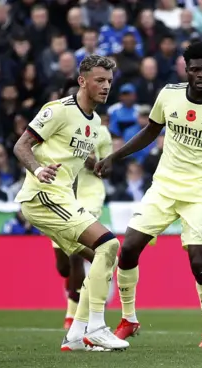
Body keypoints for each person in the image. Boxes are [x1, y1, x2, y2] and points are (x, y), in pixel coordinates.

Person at [94, 40, 202, 348]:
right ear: (187, 70)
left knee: (197, 261)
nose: (201, 74)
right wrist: (115, 156)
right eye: (195, 69)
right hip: (164, 187)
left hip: (201, 194)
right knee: (127, 250)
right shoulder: (168, 95)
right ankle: (128, 318)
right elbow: (150, 132)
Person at [13, 55, 129, 352]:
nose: (106, 87)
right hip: (42, 196)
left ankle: (77, 334)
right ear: (82, 81)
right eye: (99, 80)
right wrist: (38, 170)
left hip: (62, 196)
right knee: (109, 244)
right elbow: (21, 145)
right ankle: (98, 327)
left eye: (109, 82)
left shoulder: (92, 123)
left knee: (103, 255)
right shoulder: (59, 111)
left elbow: (74, 164)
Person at [52, 83, 114, 331]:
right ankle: (81, 292)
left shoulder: (99, 129)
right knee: (63, 266)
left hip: (89, 196)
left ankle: (73, 312)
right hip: (61, 195)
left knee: (77, 254)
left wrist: (89, 158)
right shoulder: (55, 127)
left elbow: (105, 170)